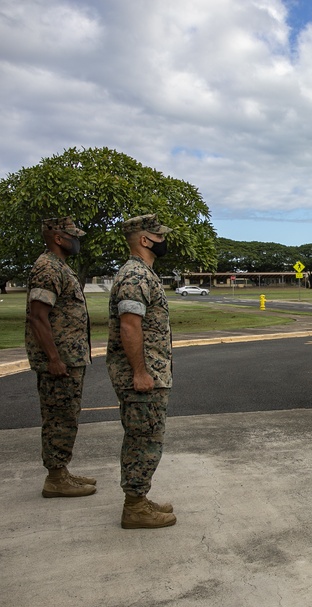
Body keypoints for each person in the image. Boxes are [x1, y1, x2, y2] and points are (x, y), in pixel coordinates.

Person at [107, 214, 177, 529]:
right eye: (159, 236)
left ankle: (139, 498)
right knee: (143, 439)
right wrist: (141, 373)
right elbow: (129, 325)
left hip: (152, 372)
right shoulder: (135, 275)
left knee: (147, 438)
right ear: (145, 240)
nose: (165, 240)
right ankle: (134, 507)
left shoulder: (143, 273)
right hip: (143, 377)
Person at [25, 216, 96, 498]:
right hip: (60, 361)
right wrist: (54, 358)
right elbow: (38, 317)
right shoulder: (47, 268)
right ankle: (55, 477)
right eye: (71, 235)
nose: (76, 240)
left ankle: (61, 470)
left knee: (66, 415)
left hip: (70, 357)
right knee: (58, 417)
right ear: (56, 237)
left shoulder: (60, 267)